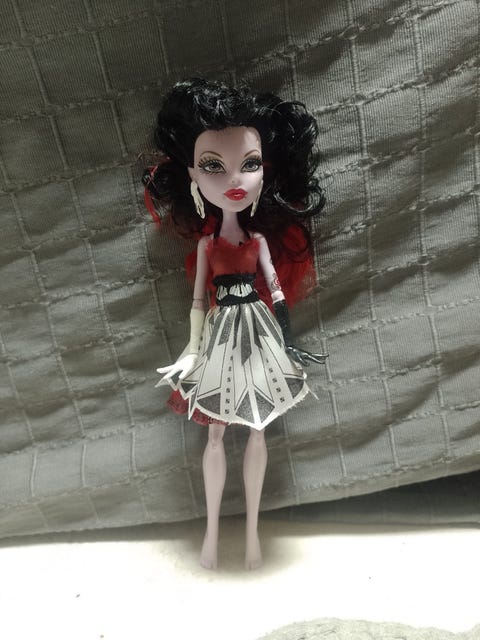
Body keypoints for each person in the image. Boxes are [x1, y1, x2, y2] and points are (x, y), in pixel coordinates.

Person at [143, 78, 327, 570]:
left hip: (258, 330)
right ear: (191, 175)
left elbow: (278, 292)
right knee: (216, 431)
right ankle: (210, 533)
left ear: (266, 170)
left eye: (249, 163)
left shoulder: (259, 243)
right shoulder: (207, 246)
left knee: (259, 426)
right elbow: (198, 301)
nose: (234, 179)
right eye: (212, 166)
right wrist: (191, 349)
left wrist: (288, 343)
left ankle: (250, 535)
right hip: (221, 334)